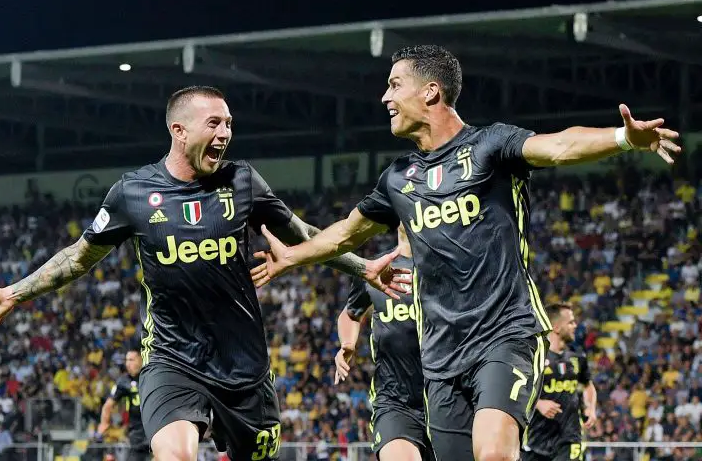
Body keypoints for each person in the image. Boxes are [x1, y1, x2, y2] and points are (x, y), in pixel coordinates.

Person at [250, 45, 680, 461]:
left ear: (430, 92)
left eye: (395, 85)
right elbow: (346, 233)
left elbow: (559, 146)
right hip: (440, 355)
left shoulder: (491, 145)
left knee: (494, 453)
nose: (385, 97)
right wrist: (293, 257)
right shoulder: (398, 178)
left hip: (505, 333)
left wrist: (624, 138)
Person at [0, 85, 406, 461]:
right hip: (172, 359)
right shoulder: (133, 193)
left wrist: (363, 267)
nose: (225, 133)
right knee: (176, 454)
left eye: (229, 124)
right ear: (179, 130)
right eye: (214, 123)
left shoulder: (243, 181)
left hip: (245, 367)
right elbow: (78, 258)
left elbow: (303, 234)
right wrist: (14, 293)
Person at [335, 224, 433, 461]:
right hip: (394, 401)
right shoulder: (375, 268)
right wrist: (347, 343)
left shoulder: (443, 265)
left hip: (445, 395)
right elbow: (351, 313)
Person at [522, 303, 596, 461]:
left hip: (570, 438)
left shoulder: (578, 358)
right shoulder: (535, 358)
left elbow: (588, 385)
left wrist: (590, 407)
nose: (575, 326)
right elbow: (520, 389)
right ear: (556, 327)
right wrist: (538, 404)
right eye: (571, 322)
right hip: (536, 438)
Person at [98, 349, 150, 461]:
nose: (127, 364)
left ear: (141, 359)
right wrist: (104, 423)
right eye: (126, 360)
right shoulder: (123, 381)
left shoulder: (152, 376)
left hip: (155, 430)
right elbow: (108, 405)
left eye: (131, 360)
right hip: (137, 434)